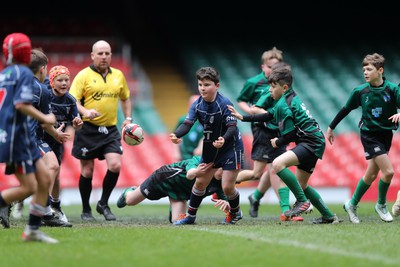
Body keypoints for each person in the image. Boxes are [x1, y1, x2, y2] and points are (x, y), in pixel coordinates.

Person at [228, 65, 341, 224]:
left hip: (310, 142)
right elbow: (268, 116)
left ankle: (302, 202)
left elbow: (291, 134)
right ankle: (328, 216)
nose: (269, 90)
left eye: (273, 86)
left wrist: (277, 142)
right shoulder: (289, 98)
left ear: (285, 87)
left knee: (277, 164)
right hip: (315, 140)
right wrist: (243, 117)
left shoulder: (284, 105)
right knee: (302, 185)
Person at [327, 53, 400, 224]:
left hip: (386, 135)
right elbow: (345, 109)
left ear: (380, 70)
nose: (365, 72)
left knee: (371, 174)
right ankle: (381, 205)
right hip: (369, 135)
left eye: (369, 69)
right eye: (364, 69)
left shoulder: (392, 89)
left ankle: (352, 204)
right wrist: (331, 127)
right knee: (388, 172)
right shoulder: (360, 91)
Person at [0, 32, 58, 243]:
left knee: (44, 178)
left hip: (17, 135)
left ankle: (32, 230)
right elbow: (21, 105)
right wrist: (46, 117)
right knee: (30, 187)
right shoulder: (24, 74)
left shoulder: (5, 73)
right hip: (18, 138)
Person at [236, 49, 306, 221]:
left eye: (276, 67)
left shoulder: (282, 85)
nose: (273, 71)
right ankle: (223, 185)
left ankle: (273, 204)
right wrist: (255, 116)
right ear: (264, 67)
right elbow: (247, 104)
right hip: (262, 130)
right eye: (270, 67)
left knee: (275, 167)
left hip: (277, 130)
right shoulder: (257, 84)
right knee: (262, 172)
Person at [170, 66, 244, 225]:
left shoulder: (224, 104)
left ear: (217, 86)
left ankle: (235, 212)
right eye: (200, 85)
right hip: (211, 147)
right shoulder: (197, 105)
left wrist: (223, 139)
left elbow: (232, 126)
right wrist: (176, 134)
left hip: (231, 148)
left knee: (227, 188)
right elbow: (187, 123)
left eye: (207, 85)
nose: (203, 88)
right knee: (200, 182)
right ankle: (190, 217)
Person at [69, 40, 133, 221]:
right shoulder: (83, 75)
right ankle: (85, 209)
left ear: (111, 55)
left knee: (115, 165)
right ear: (93, 56)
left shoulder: (119, 75)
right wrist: (86, 112)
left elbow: (126, 98)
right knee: (87, 171)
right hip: (87, 129)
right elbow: (73, 100)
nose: (104, 57)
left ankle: (103, 203)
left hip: (110, 129)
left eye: (107, 53)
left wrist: (128, 119)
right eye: (100, 53)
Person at [116, 155, 228, 223]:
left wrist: (227, 204)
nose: (224, 173)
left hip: (180, 193)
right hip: (164, 178)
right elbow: (190, 174)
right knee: (130, 201)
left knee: (178, 221)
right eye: (222, 169)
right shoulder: (201, 162)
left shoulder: (220, 182)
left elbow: (224, 199)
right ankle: (129, 192)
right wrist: (196, 172)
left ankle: (173, 206)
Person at [173, 94, 203, 162]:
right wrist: (176, 153)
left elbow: (206, 136)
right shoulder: (183, 119)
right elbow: (175, 136)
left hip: (199, 157)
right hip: (185, 156)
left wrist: (200, 147)